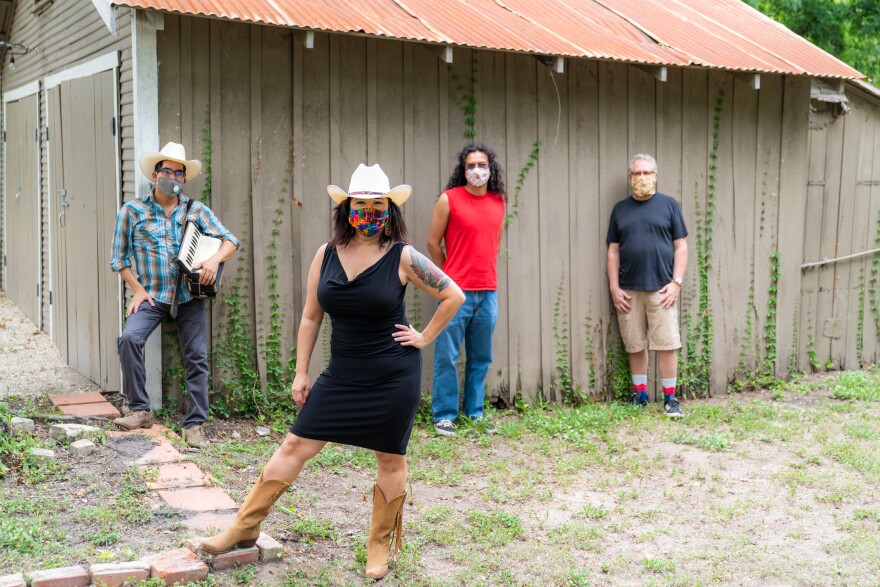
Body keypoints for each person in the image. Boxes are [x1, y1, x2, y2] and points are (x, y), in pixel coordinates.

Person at [200, 164, 465, 579]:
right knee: (293, 446)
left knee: (390, 459)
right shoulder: (325, 255)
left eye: (379, 206)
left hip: (393, 377)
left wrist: (425, 337)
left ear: (390, 210)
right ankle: (243, 527)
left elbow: (453, 294)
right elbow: (310, 317)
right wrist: (301, 372)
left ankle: (379, 547)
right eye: (361, 205)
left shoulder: (404, 256)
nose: (370, 213)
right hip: (341, 376)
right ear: (347, 208)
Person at [110, 142, 240, 448]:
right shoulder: (132, 211)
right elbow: (119, 259)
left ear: (184, 179)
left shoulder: (195, 210)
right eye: (166, 170)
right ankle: (140, 409)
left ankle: (195, 425)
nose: (172, 176)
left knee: (196, 357)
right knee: (130, 339)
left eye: (178, 172)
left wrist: (213, 260)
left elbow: (231, 240)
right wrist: (138, 290)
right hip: (152, 297)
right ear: (155, 175)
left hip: (187, 296)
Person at [426, 144, 506, 436]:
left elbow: (495, 243)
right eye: (470, 165)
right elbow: (433, 244)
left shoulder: (499, 202)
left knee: (481, 357)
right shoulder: (449, 199)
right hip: (454, 294)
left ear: (490, 168)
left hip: (488, 292)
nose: (476, 170)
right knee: (446, 355)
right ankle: (444, 415)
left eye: (481, 165)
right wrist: (448, 279)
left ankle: (475, 413)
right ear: (463, 170)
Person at [606, 153, 688, 417]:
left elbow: (681, 246)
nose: (642, 177)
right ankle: (639, 395)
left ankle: (670, 399)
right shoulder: (620, 209)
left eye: (646, 173)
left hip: (662, 289)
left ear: (655, 175)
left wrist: (676, 283)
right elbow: (613, 251)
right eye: (637, 173)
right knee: (635, 344)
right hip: (628, 290)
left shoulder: (669, 205)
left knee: (666, 344)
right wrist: (614, 287)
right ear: (630, 178)